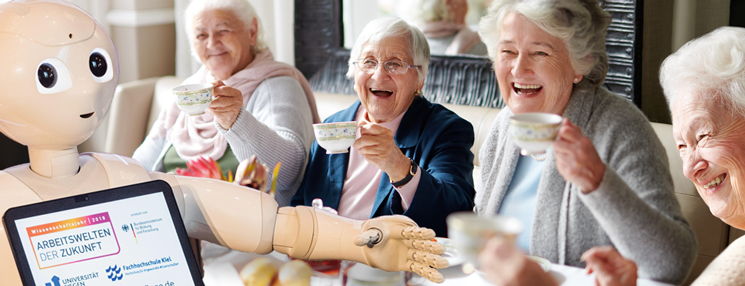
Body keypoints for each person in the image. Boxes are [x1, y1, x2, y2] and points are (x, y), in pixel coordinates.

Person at [0, 1, 449, 284]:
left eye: (94, 65)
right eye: (201, 34)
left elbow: (277, 223)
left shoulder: (144, 185)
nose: (83, 86)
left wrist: (364, 239)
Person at [477, 25, 745, 286]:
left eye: (702, 136)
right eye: (682, 147)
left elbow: (670, 264)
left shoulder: (737, 266)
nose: (689, 169)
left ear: (578, 63)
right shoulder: (505, 127)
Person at [291, 17, 476, 238]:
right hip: (327, 261)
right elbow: (301, 208)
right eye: (368, 62)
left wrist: (399, 167)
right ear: (354, 72)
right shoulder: (332, 128)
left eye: (395, 64)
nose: (379, 75)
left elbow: (455, 217)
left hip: (394, 266)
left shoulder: (446, 131)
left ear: (420, 79)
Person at [132, 0, 319, 206]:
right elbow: (142, 162)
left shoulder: (278, 86)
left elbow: (288, 172)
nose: (212, 44)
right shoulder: (191, 87)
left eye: (223, 31)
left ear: (252, 31)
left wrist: (236, 120)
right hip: (170, 217)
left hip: (237, 230)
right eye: (201, 35)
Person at [400, 0, 486, 55]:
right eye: (464, 3)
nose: (467, 9)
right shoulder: (479, 44)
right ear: (449, 3)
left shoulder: (409, 45)